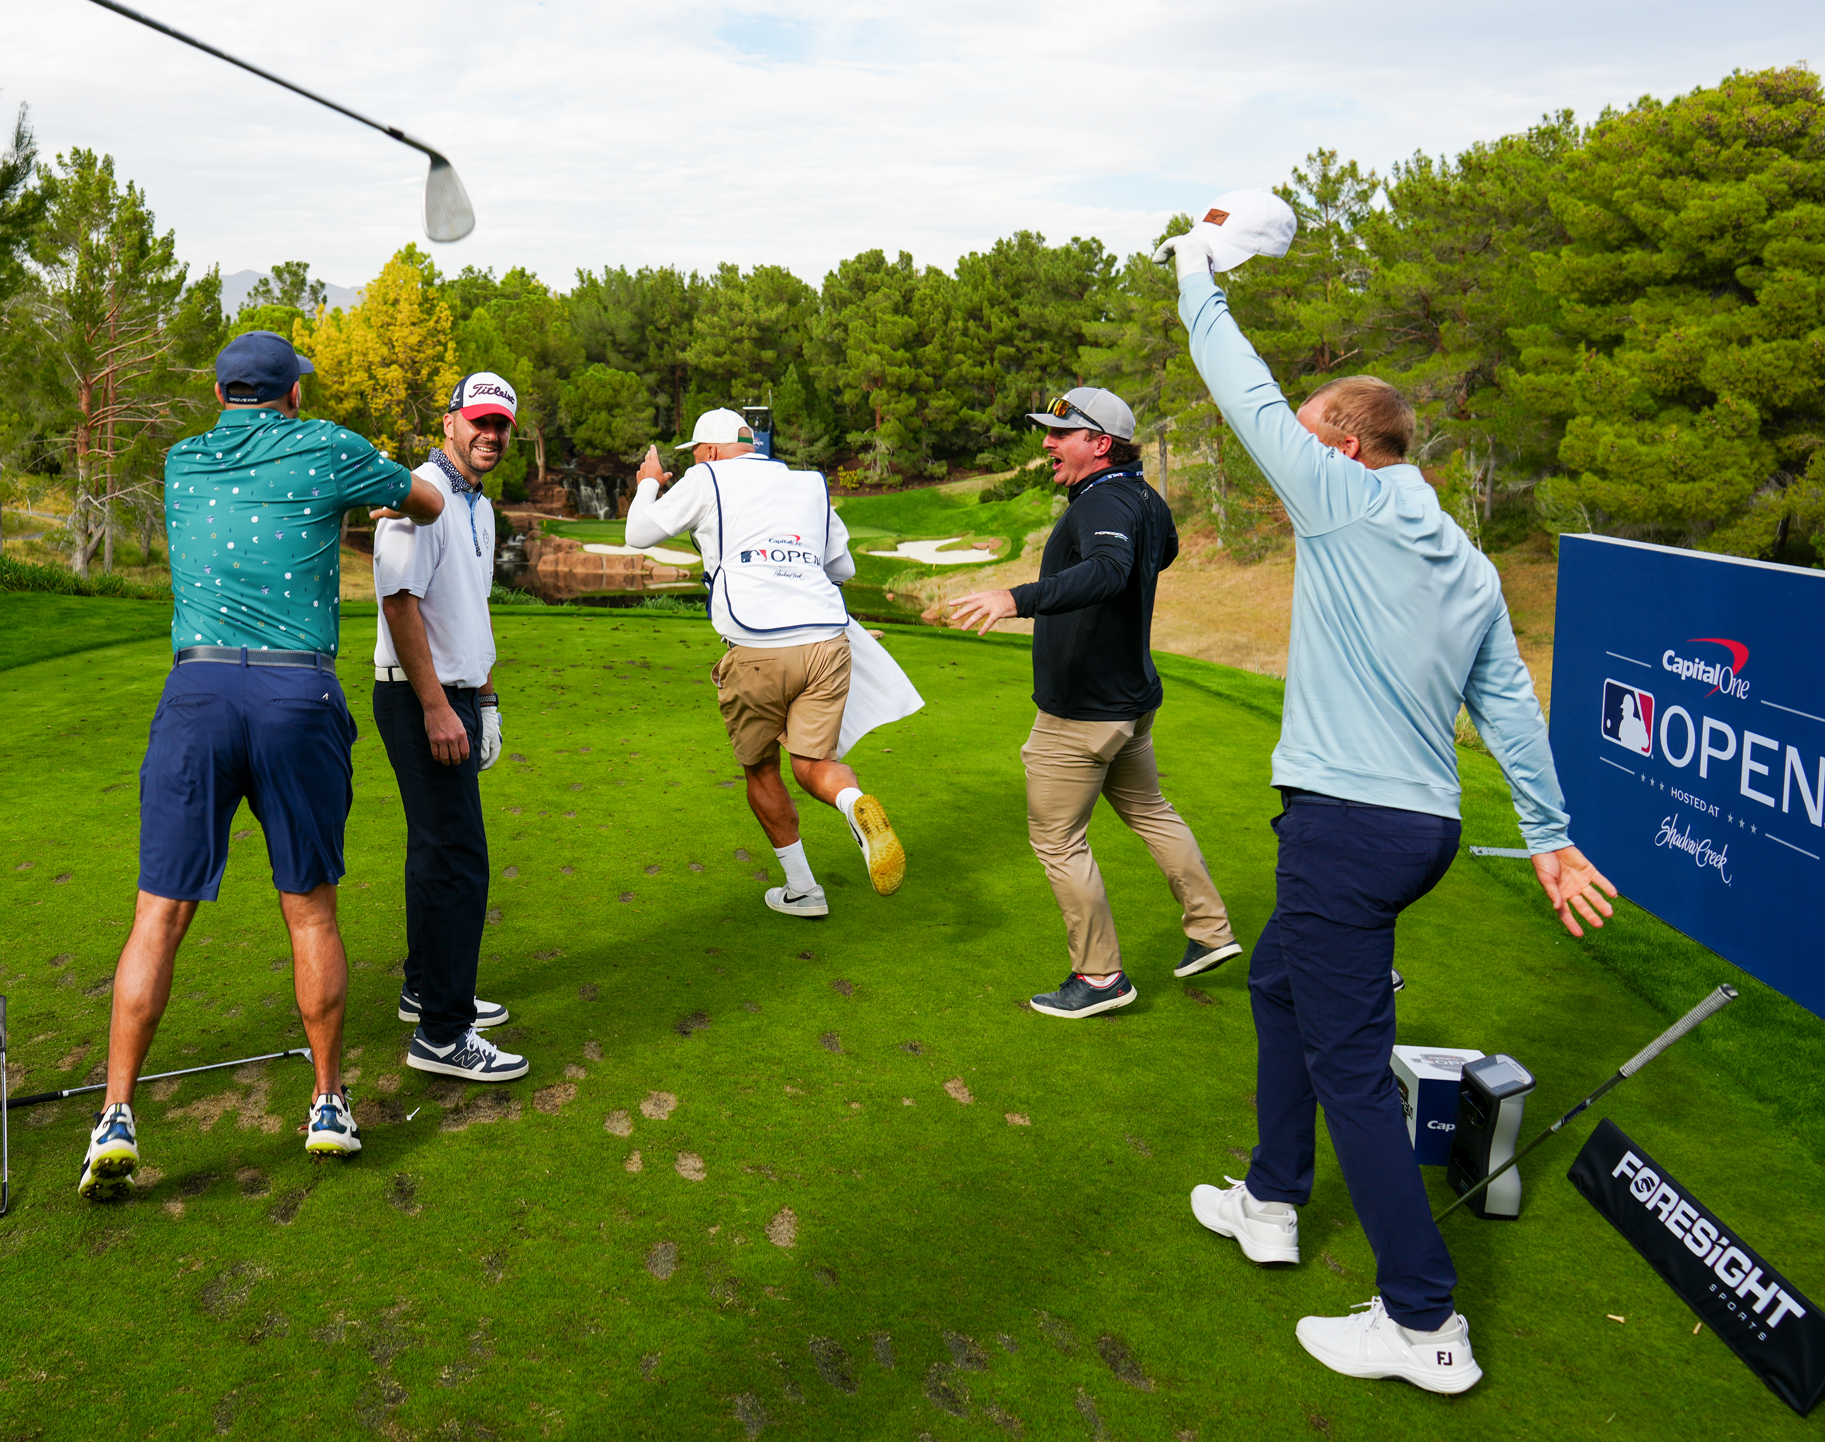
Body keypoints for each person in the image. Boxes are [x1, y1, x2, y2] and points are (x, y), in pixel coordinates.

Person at [1152, 222, 1618, 1394]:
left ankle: (1422, 1322)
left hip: (1347, 828)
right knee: (1278, 984)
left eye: (1313, 437)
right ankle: (1269, 1196)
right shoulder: (1467, 556)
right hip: (1419, 831)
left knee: (1350, 1065)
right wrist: (1551, 836)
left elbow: (1241, 387)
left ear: (1347, 443)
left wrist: (1193, 270)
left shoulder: (1345, 497)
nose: (1293, 454)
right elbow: (1509, 704)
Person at [78, 330, 446, 1198]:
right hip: (294, 698)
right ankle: (326, 1103)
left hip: (196, 696)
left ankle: (116, 1118)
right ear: (290, 395)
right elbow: (427, 499)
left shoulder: (180, 461)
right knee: (309, 913)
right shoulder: (325, 446)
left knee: (157, 917)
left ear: (218, 394)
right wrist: (375, 500)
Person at [943, 385, 1237, 1019]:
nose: (1047, 443)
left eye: (1061, 434)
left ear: (1099, 444)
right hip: (1131, 701)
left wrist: (1015, 598)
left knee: (1057, 840)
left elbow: (1108, 570)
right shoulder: (1142, 498)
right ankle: (1211, 930)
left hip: (1082, 714)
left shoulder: (1099, 504)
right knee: (1151, 810)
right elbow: (1166, 552)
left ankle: (1100, 978)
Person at [623, 407, 904, 917]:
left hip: (757, 648)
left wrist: (647, 483)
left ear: (707, 451)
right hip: (826, 641)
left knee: (761, 770)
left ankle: (804, 890)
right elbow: (842, 566)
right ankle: (851, 803)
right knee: (814, 765)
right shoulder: (807, 483)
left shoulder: (705, 475)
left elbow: (639, 533)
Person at [370, 370, 528, 1084]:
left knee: (435, 852)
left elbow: (475, 608)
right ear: (450, 423)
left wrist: (485, 701)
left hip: (458, 694)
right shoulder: (419, 496)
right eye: (479, 423)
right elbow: (399, 602)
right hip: (419, 697)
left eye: (501, 427)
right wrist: (438, 706)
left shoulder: (479, 507)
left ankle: (424, 988)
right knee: (459, 860)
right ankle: (443, 1031)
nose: (489, 436)